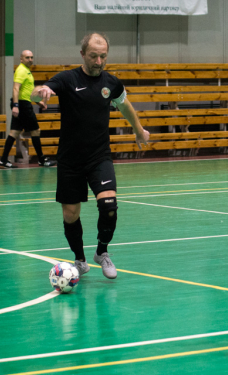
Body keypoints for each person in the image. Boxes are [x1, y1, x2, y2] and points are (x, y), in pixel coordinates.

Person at [31, 32, 150, 279]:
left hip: (99, 157)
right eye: (94, 56)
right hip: (70, 160)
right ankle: (80, 260)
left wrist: (138, 130)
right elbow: (36, 93)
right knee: (70, 214)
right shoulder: (67, 79)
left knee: (109, 206)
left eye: (103, 56)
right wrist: (40, 92)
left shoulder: (112, 83)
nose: (99, 61)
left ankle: (101, 252)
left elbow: (125, 105)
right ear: (83, 54)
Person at [0, 50, 57, 168]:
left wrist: (39, 102)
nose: (30, 59)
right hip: (23, 105)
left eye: (31, 57)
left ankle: (3, 160)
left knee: (14, 132)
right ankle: (42, 160)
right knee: (35, 130)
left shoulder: (27, 71)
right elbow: (16, 88)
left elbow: (28, 91)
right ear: (21, 59)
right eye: (27, 57)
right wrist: (16, 106)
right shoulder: (21, 71)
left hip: (23, 103)